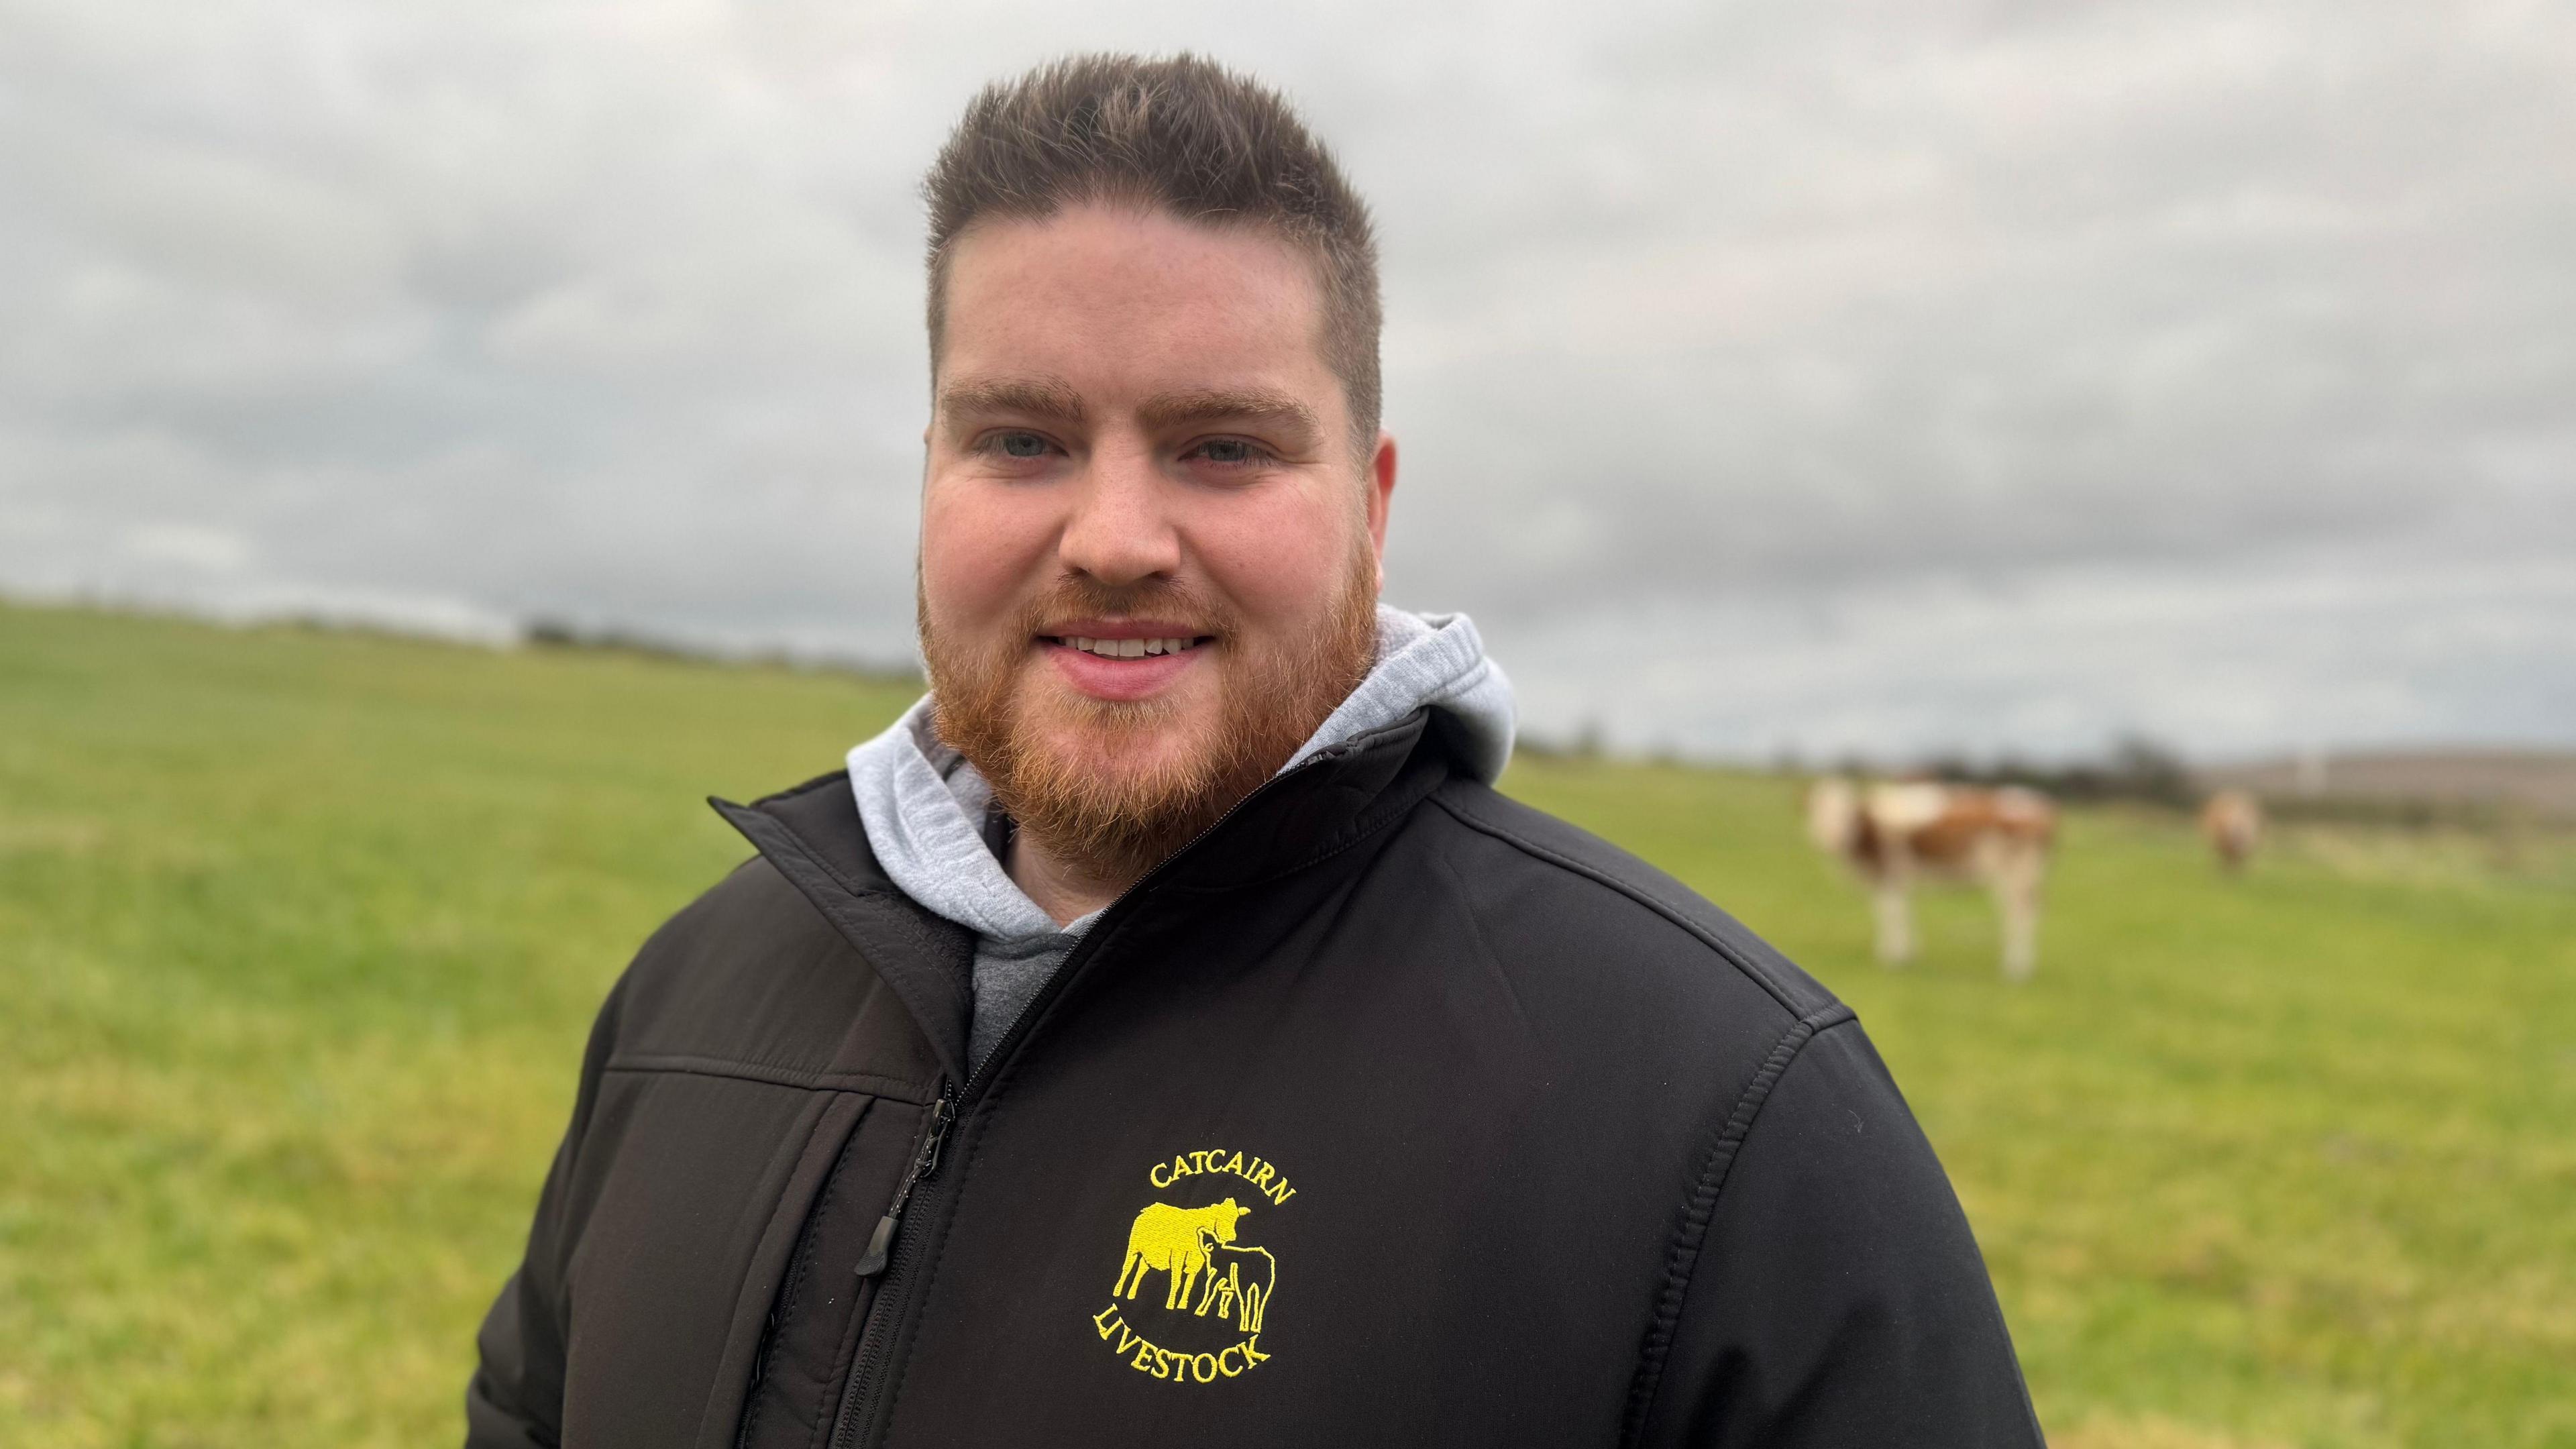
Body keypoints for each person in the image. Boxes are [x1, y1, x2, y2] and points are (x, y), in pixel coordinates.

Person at [464, 53, 2043, 1449]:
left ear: (1371, 500)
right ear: (929, 469)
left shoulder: (1723, 1117)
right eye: (1021, 440)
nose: (1117, 536)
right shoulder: (694, 996)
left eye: (1224, 447)